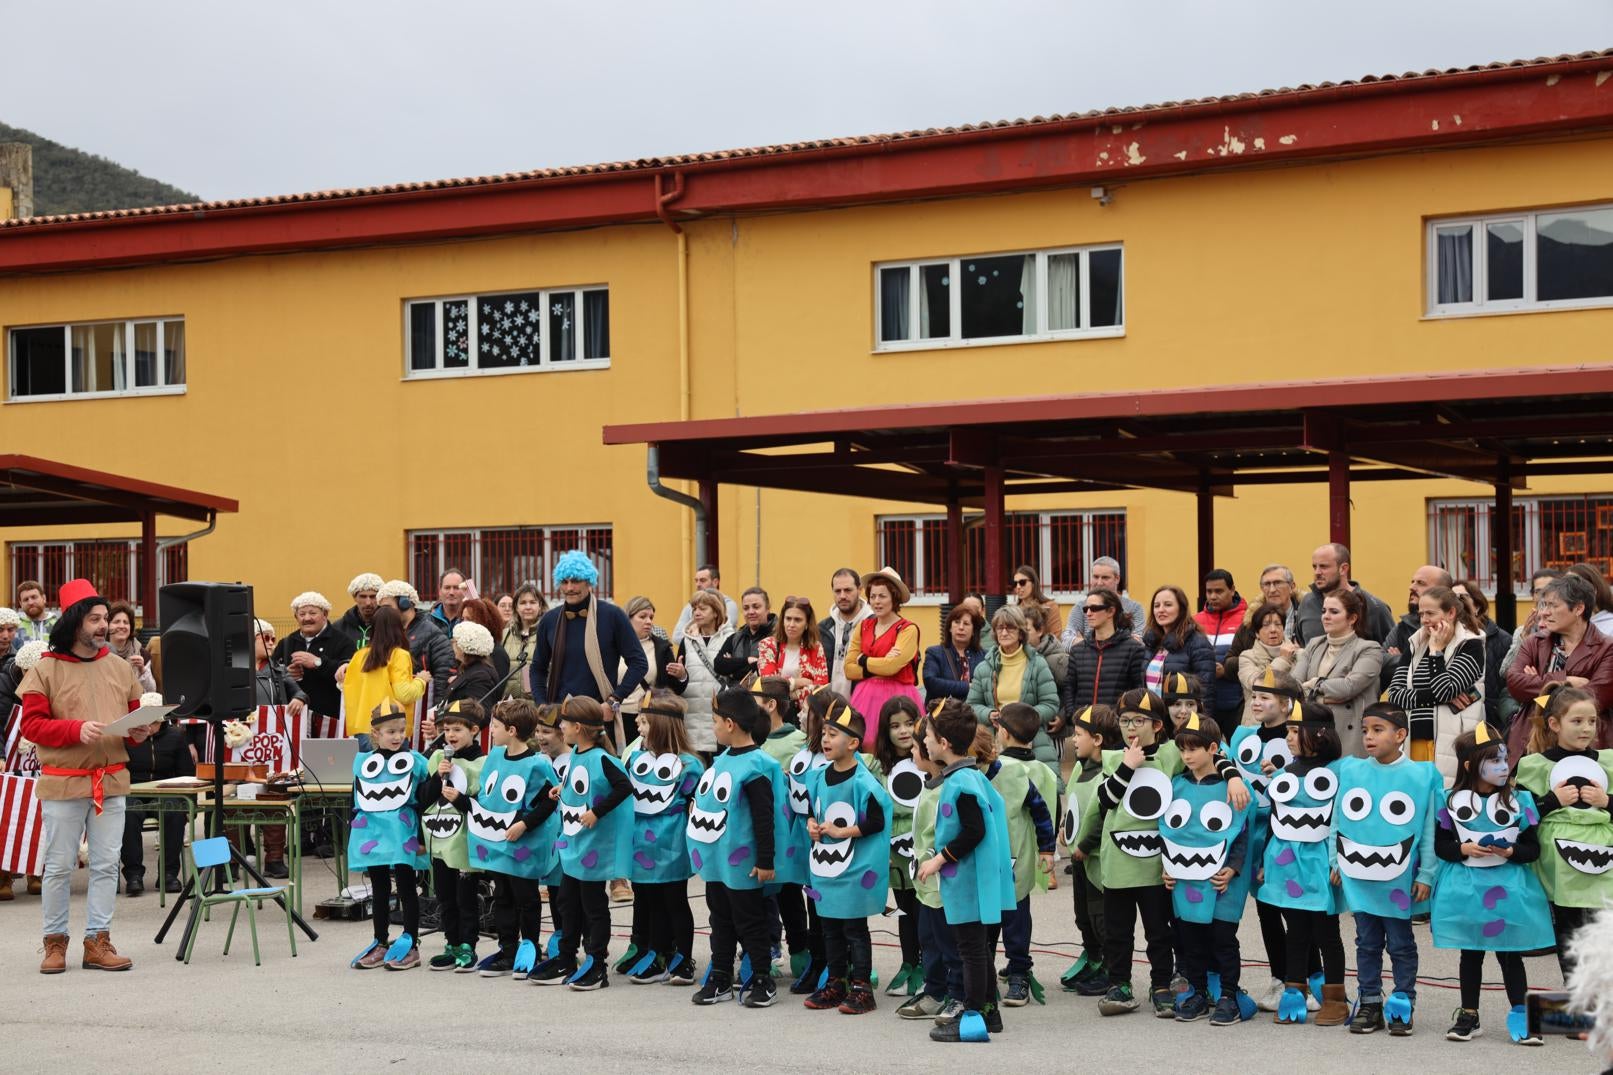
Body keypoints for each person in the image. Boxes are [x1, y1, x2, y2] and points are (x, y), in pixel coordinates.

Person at [19, 579, 151, 973]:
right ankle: (54, 944)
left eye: (105, 619)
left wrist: (142, 731)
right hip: (63, 782)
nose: (103, 626)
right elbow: (32, 725)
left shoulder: (118, 667)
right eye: (95, 619)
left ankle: (98, 941)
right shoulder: (45, 669)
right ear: (76, 621)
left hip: (110, 780)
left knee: (108, 864)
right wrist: (74, 729)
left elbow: (133, 718)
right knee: (59, 865)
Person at [1095, 689, 1246, 1017]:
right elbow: (1105, 800)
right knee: (1117, 929)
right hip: (1119, 858)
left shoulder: (1170, 754)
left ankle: (1161, 983)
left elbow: (1208, 751)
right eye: (1124, 720)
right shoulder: (1111, 757)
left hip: (1158, 860)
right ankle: (1119, 983)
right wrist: (1127, 767)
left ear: (1158, 725)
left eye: (1139, 720)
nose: (1131, 727)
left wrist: (1232, 777)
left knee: (1159, 929)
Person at [1432, 723, 1553, 1046]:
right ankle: (1469, 1014)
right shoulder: (1450, 801)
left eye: (1505, 760)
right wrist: (1463, 849)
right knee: (1470, 953)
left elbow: (1532, 849)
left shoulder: (1519, 802)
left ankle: (1521, 1012)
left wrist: (1511, 850)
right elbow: (1441, 845)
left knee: (1511, 954)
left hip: (1508, 890)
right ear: (1471, 766)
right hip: (1467, 888)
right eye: (1494, 761)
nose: (1503, 767)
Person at [1333, 702, 1441, 1036]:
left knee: (1401, 943)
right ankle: (1368, 1001)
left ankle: (1402, 1002)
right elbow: (1339, 819)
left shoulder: (1422, 775)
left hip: (1398, 877)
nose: (1368, 737)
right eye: (1365, 730)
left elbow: (1429, 828)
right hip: (1359, 874)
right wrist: (1336, 860)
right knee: (1365, 941)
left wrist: (1426, 874)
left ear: (1401, 735)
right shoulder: (1351, 771)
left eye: (1378, 730)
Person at [916, 699, 1017, 1043]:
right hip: (973, 881)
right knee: (978, 949)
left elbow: (974, 831)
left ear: (943, 743)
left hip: (967, 882)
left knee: (971, 951)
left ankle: (972, 1018)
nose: (925, 742)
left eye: (928, 735)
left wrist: (938, 859)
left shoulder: (960, 783)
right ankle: (990, 1013)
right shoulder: (969, 775)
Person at [690, 688, 790, 1009]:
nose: (713, 726)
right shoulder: (722, 761)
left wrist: (765, 859)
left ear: (730, 724)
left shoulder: (756, 765)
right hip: (718, 862)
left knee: (749, 921)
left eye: (715, 720)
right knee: (719, 918)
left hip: (744, 863)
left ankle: (762, 977)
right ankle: (720, 975)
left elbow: (764, 817)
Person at [530, 696, 633, 989]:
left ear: (577, 726)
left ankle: (597, 962)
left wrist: (597, 812)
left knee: (593, 905)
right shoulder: (577, 753)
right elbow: (582, 781)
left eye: (563, 722)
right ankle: (566, 956)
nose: (560, 726)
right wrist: (562, 788)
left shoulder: (603, 758)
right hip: (575, 843)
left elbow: (625, 787)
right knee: (567, 901)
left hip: (593, 848)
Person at [1514, 685, 1613, 981]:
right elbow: (1518, 819)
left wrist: (1606, 801)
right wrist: (1551, 802)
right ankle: (1577, 1001)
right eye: (1577, 721)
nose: (1586, 729)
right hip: (1561, 866)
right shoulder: (1534, 766)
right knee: (1569, 933)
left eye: (1592, 721)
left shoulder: (1608, 763)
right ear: (1554, 724)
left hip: (1604, 862)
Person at [1161, 713, 1255, 1026]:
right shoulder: (1177, 784)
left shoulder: (1233, 787)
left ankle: (1229, 995)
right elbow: (1169, 832)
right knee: (1191, 940)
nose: (1187, 755)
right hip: (1185, 878)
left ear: (1212, 747)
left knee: (1223, 939)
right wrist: (1167, 866)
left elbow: (1241, 832)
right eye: (1183, 749)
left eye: (1194, 749)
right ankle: (1198, 993)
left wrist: (1234, 869)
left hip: (1220, 880)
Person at [1258, 701, 1347, 1026]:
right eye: (1290, 731)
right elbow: (1276, 816)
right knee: (1295, 933)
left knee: (1326, 933)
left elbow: (1344, 820)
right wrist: (1267, 860)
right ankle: (1294, 993)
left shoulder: (1340, 772)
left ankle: (1335, 998)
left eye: (1296, 731)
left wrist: (1339, 861)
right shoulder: (1285, 773)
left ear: (1319, 733)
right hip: (1286, 864)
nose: (1289, 737)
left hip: (1321, 862)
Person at [801, 701, 891, 1015]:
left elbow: (878, 821)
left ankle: (862, 987)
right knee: (829, 927)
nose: (825, 739)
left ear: (853, 743)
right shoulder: (818, 777)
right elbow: (816, 811)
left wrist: (844, 832)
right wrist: (813, 825)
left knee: (854, 929)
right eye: (824, 733)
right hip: (826, 869)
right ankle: (836, 982)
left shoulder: (863, 781)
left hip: (852, 869)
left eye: (834, 734)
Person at [466, 698, 559, 978]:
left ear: (513, 730)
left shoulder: (537, 764)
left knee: (526, 896)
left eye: (495, 726)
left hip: (523, 844)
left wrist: (525, 824)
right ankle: (507, 948)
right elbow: (486, 795)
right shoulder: (494, 756)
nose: (490, 731)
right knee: (502, 895)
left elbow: (549, 802)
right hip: (497, 841)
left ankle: (529, 944)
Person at [622, 688, 704, 985]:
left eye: (644, 723)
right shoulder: (635, 760)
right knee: (649, 900)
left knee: (674, 900)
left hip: (670, 842)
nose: (638, 727)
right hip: (640, 841)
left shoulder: (689, 765)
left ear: (661, 725)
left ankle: (683, 957)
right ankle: (656, 954)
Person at [528, 552, 647, 749]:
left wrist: (613, 701)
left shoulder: (612, 615)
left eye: (575, 581)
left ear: (589, 581)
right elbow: (537, 668)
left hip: (597, 717)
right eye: (564, 582)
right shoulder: (550, 620)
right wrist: (542, 705)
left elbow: (639, 663)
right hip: (559, 719)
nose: (569, 587)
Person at [346, 700, 429, 970]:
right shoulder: (364, 763)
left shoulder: (415, 762)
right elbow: (356, 798)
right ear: (376, 734)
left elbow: (424, 800)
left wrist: (421, 838)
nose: (397, 736)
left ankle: (411, 944)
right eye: (390, 732)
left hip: (402, 831)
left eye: (401, 730)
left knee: (407, 886)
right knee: (379, 888)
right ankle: (380, 941)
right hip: (371, 833)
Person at [988, 702, 1058, 1008]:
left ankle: (1017, 972)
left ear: (1001, 732)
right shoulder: (1042, 769)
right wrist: (1048, 848)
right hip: (1025, 856)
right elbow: (1049, 814)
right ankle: (1013, 969)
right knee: (1017, 917)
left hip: (1005, 855)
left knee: (995, 918)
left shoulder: (1001, 769)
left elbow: (1040, 809)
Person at [1505, 572, 1613, 755]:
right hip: (1532, 741)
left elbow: (1597, 697)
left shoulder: (1607, 647)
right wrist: (1565, 680)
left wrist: (1538, 683)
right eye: (1544, 605)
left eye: (1553, 606)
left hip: (1585, 745)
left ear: (1578, 609)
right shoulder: (1534, 642)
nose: (1544, 613)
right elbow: (1514, 683)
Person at [896, 705, 956, 1021]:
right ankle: (935, 989)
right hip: (926, 887)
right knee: (928, 939)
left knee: (946, 944)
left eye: (916, 749)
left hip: (943, 885)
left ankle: (948, 993)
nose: (913, 755)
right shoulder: (929, 785)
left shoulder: (948, 788)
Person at [1388, 585, 1486, 777]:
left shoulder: (1470, 645)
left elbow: (1444, 690)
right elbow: (1395, 696)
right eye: (1421, 614)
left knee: (1445, 797)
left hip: (1453, 741)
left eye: (1430, 613)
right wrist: (1441, 698)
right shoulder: (1415, 643)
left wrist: (1436, 652)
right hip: (1414, 739)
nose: (1424, 620)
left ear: (1451, 613)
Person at [418, 699, 486, 972]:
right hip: (438, 838)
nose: (451, 735)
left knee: (465, 896)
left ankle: (468, 945)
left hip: (464, 840)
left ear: (475, 730)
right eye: (447, 729)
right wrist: (437, 777)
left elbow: (481, 803)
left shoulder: (483, 763)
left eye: (458, 729)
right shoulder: (438, 758)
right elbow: (423, 798)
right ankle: (451, 942)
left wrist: (459, 797)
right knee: (444, 895)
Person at [1280, 588, 1384, 758]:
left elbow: (1348, 687)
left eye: (1334, 612)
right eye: (1324, 611)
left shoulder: (1369, 649)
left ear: (1352, 618)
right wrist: (1326, 694)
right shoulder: (1314, 644)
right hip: (1312, 735)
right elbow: (1294, 685)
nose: (1325, 616)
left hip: (1349, 738)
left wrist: (1314, 685)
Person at [1059, 704, 1118, 997]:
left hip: (1096, 858)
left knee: (1100, 916)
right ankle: (1091, 955)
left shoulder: (1108, 772)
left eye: (1079, 734)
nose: (1073, 739)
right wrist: (1064, 829)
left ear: (1097, 739)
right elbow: (1074, 806)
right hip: (1079, 858)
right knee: (1082, 914)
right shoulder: (1081, 766)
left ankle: (1110, 966)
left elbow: (1104, 816)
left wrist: (1084, 844)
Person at [120, 691, 193, 897]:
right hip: (133, 789)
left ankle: (169, 874)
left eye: (154, 722)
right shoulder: (127, 737)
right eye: (146, 722)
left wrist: (190, 805)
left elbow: (186, 773)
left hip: (165, 790)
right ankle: (134, 875)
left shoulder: (176, 736)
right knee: (127, 813)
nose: (149, 727)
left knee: (174, 811)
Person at [873, 695, 923, 999]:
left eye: (909, 723)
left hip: (924, 848)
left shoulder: (929, 762)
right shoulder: (879, 767)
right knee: (904, 911)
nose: (904, 731)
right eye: (895, 725)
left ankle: (930, 966)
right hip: (894, 852)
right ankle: (908, 963)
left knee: (926, 912)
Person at [966, 606, 1060, 767]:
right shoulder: (984, 667)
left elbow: (1051, 704)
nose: (1004, 633)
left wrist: (1022, 719)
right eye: (999, 628)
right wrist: (989, 714)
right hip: (994, 744)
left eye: (1010, 627)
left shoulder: (1038, 664)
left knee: (1037, 788)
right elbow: (972, 705)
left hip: (1033, 741)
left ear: (1021, 631)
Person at [251, 618, 304, 879]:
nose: (273, 643)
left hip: (272, 748)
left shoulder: (276, 670)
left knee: (274, 796)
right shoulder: (232, 670)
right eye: (266, 638)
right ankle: (232, 858)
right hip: (238, 747)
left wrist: (298, 698)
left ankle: (274, 857)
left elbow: (300, 692)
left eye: (273, 638)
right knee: (232, 801)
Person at [340, 605, 429, 747]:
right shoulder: (399, 655)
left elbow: (348, 692)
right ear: (400, 628)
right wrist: (421, 680)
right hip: (392, 730)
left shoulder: (359, 656)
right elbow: (404, 694)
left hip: (363, 729)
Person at [844, 568, 922, 718]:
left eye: (882, 596)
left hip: (899, 698)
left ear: (894, 598)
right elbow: (849, 670)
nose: (876, 601)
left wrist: (863, 660)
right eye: (872, 596)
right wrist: (881, 664)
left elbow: (891, 667)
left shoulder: (907, 629)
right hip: (866, 698)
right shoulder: (863, 626)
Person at [669, 589, 732, 757]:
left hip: (722, 718)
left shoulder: (731, 638)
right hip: (691, 719)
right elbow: (677, 687)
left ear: (716, 612)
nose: (696, 612)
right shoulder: (686, 641)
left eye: (703, 608)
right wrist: (681, 675)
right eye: (694, 608)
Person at [273, 590, 356, 719]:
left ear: (325, 614)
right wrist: (286, 675)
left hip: (330, 718)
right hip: (293, 718)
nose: (307, 618)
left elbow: (350, 675)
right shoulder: (286, 643)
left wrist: (319, 663)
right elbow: (271, 675)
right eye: (302, 614)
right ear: (296, 617)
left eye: (312, 613)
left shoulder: (343, 641)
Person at [1063, 588, 1146, 713]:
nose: (1088, 613)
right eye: (1086, 609)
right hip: (1082, 726)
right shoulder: (1077, 651)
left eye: (1094, 608)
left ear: (1111, 611)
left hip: (1115, 727)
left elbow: (1138, 691)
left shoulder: (1133, 649)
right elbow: (1069, 688)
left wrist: (1121, 720)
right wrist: (1072, 715)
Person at [375, 579, 454, 709]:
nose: (383, 613)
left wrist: (436, 715)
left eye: (387, 608)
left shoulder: (435, 637)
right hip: (387, 713)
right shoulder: (385, 635)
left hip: (419, 715)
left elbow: (442, 681)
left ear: (404, 603)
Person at [1294, 543, 1395, 646]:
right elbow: (1300, 646)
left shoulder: (1374, 607)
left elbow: (1390, 652)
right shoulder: (1307, 603)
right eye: (1314, 567)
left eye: (1324, 567)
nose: (1317, 572)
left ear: (1343, 569)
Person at [1450, 579, 1513, 732]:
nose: (1457, 604)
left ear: (1477, 606)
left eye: (1461, 598)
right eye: (1450, 598)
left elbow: (1508, 687)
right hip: (1450, 722)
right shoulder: (1440, 639)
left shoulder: (1502, 640)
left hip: (1490, 724)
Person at [1382, 565, 1453, 690]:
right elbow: (1380, 662)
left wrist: (1403, 660)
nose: (1412, 587)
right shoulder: (1403, 626)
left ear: (1441, 590)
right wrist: (1403, 660)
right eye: (1412, 582)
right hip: (1408, 705)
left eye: (1420, 583)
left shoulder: (1461, 631)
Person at [1194, 569, 1248, 729]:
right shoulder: (1195, 621)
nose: (1212, 596)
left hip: (1237, 702)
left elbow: (1253, 658)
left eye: (1218, 591)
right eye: (1209, 591)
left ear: (1232, 590)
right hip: (1204, 701)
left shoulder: (1247, 619)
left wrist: (1226, 670)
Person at [1141, 585, 1215, 699]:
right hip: (1152, 715)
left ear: (1181, 608)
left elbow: (1205, 691)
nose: (1161, 610)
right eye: (1156, 606)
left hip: (1182, 714)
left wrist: (1200, 717)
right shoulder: (1151, 643)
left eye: (1168, 605)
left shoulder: (1198, 642)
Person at [619, 596, 686, 719]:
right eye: (642, 616)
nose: (649, 621)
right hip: (616, 715)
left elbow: (673, 689)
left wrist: (681, 676)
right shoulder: (613, 646)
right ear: (627, 618)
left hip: (650, 716)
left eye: (651, 617)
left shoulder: (661, 647)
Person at [756, 595, 828, 706]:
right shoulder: (768, 645)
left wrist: (790, 694)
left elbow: (821, 690)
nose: (791, 625)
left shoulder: (816, 648)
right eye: (788, 619)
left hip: (804, 715)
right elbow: (769, 686)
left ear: (807, 624)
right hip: (774, 714)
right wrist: (798, 682)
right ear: (782, 620)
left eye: (798, 620)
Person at [1061, 557, 1145, 646]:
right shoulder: (1081, 607)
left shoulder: (1134, 608)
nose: (1099, 583)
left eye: (1105, 578)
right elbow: (1066, 641)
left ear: (1117, 579)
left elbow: (1138, 643)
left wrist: (1084, 642)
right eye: (1096, 577)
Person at [1237, 602, 1295, 726]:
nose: (1273, 630)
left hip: (1291, 723)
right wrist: (1283, 660)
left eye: (1278, 624)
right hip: (1256, 725)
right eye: (1266, 625)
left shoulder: (1299, 654)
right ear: (1257, 633)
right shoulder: (1247, 657)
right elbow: (1257, 683)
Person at [819, 568, 873, 697]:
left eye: (848, 590)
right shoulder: (823, 628)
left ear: (860, 590)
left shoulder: (875, 625)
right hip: (828, 708)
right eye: (838, 591)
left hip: (863, 704)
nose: (842, 596)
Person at [714, 587, 777, 686]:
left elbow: (766, 671)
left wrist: (732, 669)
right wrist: (747, 660)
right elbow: (718, 665)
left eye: (756, 607)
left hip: (766, 699)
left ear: (767, 608)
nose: (751, 612)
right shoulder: (736, 638)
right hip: (737, 698)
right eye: (746, 608)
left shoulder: (778, 637)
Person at [923, 605, 984, 704]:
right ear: (950, 628)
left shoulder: (983, 656)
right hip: (943, 716)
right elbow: (931, 682)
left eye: (966, 624)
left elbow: (986, 688)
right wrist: (968, 686)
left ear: (974, 631)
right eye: (957, 622)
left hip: (973, 715)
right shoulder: (935, 653)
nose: (961, 627)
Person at [501, 581, 547, 700]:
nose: (528, 607)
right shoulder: (504, 634)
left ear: (540, 605)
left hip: (538, 707)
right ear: (516, 607)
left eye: (532, 602)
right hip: (509, 707)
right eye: (523, 603)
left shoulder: (549, 633)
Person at [670, 564, 739, 644]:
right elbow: (677, 637)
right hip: (695, 654)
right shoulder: (690, 605)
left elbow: (721, 631)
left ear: (715, 582)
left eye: (702, 580)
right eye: (696, 581)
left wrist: (694, 631)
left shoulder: (728, 604)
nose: (698, 584)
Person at [445, 621, 500, 707]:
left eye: (455, 641)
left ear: (464, 646)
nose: (452, 644)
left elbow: (478, 712)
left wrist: (448, 718)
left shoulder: (481, 676)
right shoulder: (470, 668)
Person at [458, 596, 512, 683]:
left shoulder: (497, 653)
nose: (463, 624)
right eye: (462, 619)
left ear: (484, 622)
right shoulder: (467, 650)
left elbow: (494, 690)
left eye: (469, 619)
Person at [104, 602, 155, 694]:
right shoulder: (98, 653)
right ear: (107, 625)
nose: (122, 626)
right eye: (116, 622)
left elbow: (151, 690)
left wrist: (142, 670)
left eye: (126, 622)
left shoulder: (142, 654)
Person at [1011, 564, 1063, 640]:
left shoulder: (1050, 606)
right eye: (1015, 584)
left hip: (1047, 650)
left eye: (1022, 582)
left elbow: (1055, 636)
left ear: (1033, 583)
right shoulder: (1015, 611)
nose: (1018, 587)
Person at [337, 572, 383, 648]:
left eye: (373, 597)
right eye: (363, 596)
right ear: (354, 597)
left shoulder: (390, 625)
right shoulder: (339, 627)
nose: (368, 603)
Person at [1568, 562, 1613, 636]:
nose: (1568, 591)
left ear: (1593, 589)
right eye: (1566, 586)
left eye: (1574, 585)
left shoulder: (1610, 626)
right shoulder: (1562, 626)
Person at [14, 579, 57, 648]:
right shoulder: (14, 627)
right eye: (26, 599)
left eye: (34, 597)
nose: (30, 602)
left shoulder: (58, 624)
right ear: (21, 604)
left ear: (44, 598)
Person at [429, 567, 468, 633]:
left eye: (456, 588)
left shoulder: (473, 620)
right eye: (447, 588)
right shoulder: (427, 621)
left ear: (464, 591)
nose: (451, 592)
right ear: (440, 591)